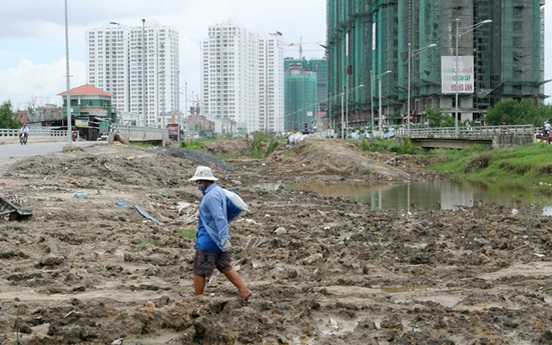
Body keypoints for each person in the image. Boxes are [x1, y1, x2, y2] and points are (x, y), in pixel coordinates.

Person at [189, 166, 252, 303]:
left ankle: (198, 299)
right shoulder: (218, 192)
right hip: (217, 239)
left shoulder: (211, 196)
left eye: (198, 181)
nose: (197, 185)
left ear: (203, 181)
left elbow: (219, 218)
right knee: (224, 265)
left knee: (199, 269)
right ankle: (244, 290)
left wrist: (224, 238)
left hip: (208, 239)